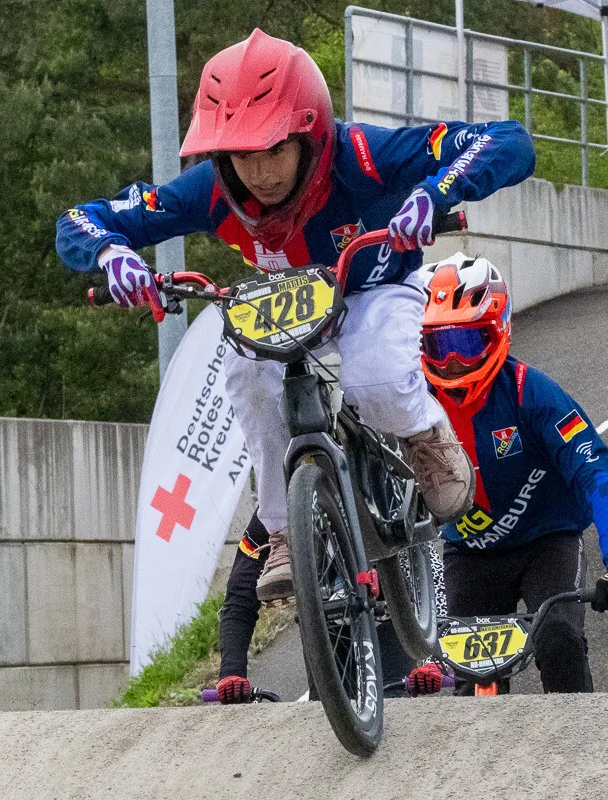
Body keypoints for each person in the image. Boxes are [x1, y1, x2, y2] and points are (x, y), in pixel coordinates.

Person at [54, 30, 536, 702]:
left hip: (375, 285)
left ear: (309, 134)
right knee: (249, 379)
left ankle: (426, 438)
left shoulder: (363, 155)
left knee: (372, 379)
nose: (260, 173)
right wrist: (113, 256)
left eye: (274, 149)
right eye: (240, 155)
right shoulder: (212, 191)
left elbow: (506, 140)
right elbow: (82, 217)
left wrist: (434, 191)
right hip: (288, 301)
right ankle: (284, 531)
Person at [406, 254, 608, 695]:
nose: (453, 362)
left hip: (546, 543)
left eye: (468, 342)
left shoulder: (533, 392)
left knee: (559, 640)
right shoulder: (412, 405)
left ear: (499, 332)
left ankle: (580, 744)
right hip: (469, 553)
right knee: (467, 674)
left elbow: (599, 470)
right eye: (439, 345)